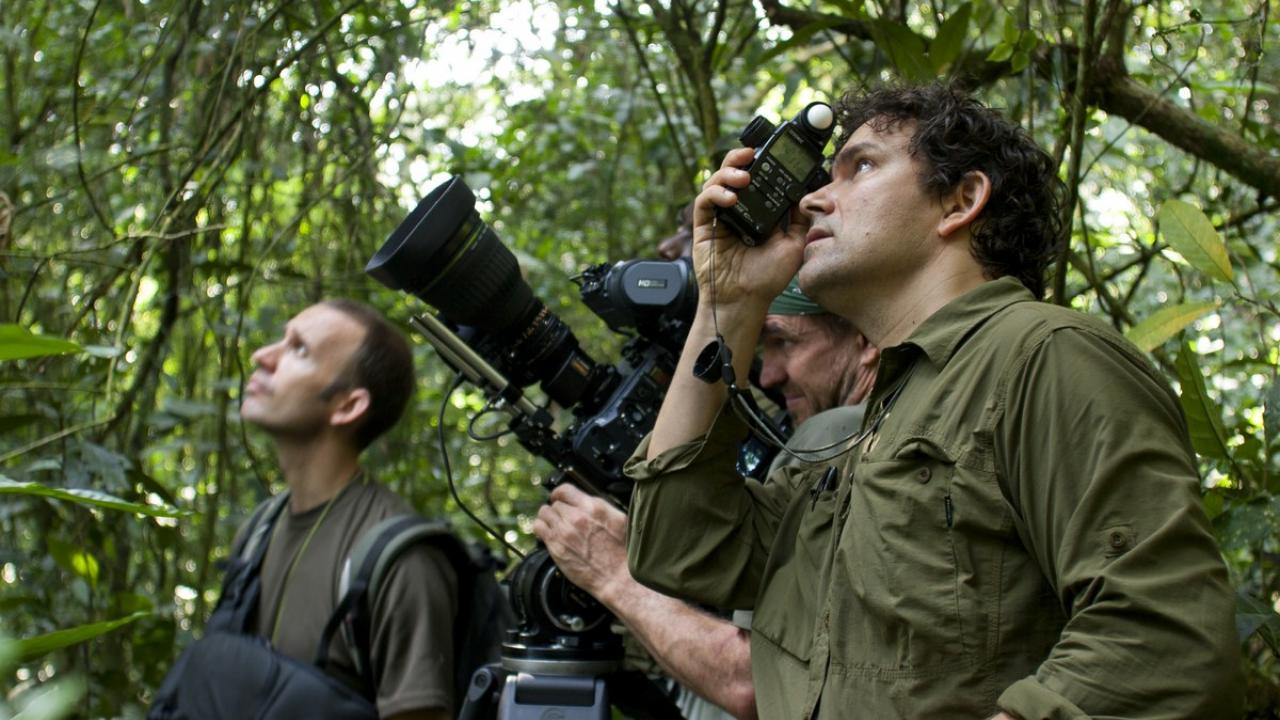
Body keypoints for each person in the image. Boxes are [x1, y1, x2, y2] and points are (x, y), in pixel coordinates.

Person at [624, 83, 1243, 719]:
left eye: (860, 166)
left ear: (960, 200)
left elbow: (1165, 637)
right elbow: (680, 546)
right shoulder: (869, 426)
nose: (811, 200)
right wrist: (727, 303)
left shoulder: (1043, 356)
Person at [534, 275, 878, 720]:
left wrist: (614, 573)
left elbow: (753, 681)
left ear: (863, 337)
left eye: (782, 342)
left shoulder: (838, 433)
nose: (768, 374)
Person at [236, 299, 456, 720]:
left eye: (299, 350)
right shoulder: (258, 531)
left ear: (348, 406)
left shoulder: (400, 560)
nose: (263, 357)